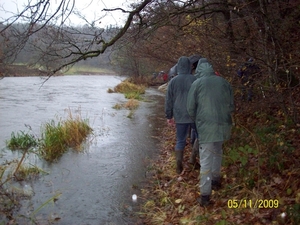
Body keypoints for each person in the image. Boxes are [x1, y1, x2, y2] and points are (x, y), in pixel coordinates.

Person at [187, 58, 234, 206]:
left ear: (199, 69)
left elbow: (190, 108)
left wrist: (198, 121)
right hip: (222, 125)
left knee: (206, 159)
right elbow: (231, 105)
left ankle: (205, 196)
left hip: (206, 127)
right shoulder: (224, 82)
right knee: (217, 152)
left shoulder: (197, 84)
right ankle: (216, 180)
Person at [165, 56, 197, 174]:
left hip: (179, 114)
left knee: (180, 140)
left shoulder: (173, 81)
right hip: (193, 114)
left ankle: (179, 165)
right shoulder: (194, 79)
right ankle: (193, 159)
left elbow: (169, 100)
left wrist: (169, 116)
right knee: (200, 136)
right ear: (189, 66)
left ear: (178, 66)